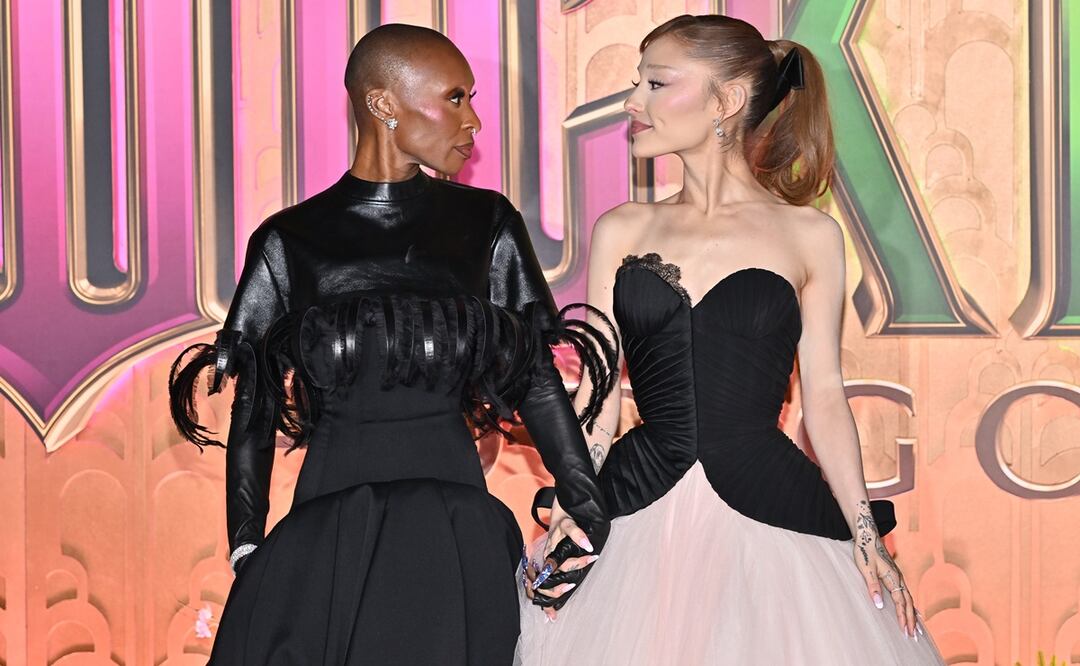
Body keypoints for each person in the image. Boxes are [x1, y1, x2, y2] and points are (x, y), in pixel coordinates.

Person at [168, 24, 614, 665]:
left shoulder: (486, 224)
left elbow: (534, 378)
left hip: (454, 530)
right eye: (455, 98)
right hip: (329, 533)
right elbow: (256, 408)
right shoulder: (291, 241)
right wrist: (246, 543)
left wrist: (586, 504)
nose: (475, 121)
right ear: (383, 104)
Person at [516, 14, 945, 665]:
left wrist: (864, 534)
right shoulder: (622, 228)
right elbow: (601, 400)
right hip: (637, 503)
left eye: (657, 82)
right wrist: (578, 499)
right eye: (638, 81)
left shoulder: (809, 236)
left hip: (769, 505)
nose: (633, 101)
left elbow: (824, 396)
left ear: (726, 101)